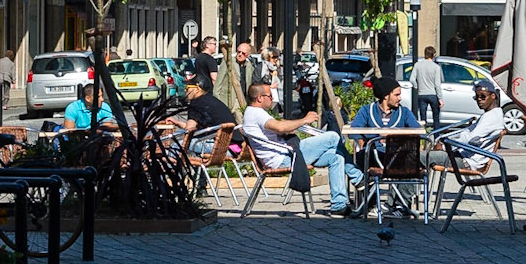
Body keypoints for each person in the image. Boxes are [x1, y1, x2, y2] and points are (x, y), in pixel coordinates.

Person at [241, 81, 364, 216]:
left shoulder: (253, 113)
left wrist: (290, 127)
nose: (273, 99)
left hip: (288, 154)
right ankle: (358, 178)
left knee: (336, 157)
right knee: (333, 137)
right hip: (286, 158)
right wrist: (304, 120)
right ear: (260, 98)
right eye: (270, 96)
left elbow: (279, 125)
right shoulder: (256, 113)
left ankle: (339, 204)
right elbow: (280, 127)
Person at [349, 75, 420, 166]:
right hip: (373, 155)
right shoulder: (367, 110)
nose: (400, 98)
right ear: (386, 96)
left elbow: (418, 131)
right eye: (396, 95)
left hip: (398, 157)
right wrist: (372, 138)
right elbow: (354, 130)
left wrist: (393, 136)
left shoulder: (404, 112)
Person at [449, 79, 506, 172]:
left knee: (422, 158)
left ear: (493, 96)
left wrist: (444, 147)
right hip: (463, 156)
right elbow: (466, 133)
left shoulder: (492, 117)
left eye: (483, 96)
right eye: (477, 97)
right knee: (424, 158)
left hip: (467, 161)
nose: (479, 99)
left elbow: (469, 139)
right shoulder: (490, 114)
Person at [164, 80, 234, 157]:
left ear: (197, 89)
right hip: (232, 147)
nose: (185, 90)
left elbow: (188, 131)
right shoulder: (211, 99)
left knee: (177, 143)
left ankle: (174, 168)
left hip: (216, 147)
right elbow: (194, 129)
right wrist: (177, 122)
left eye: (187, 88)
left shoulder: (197, 103)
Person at [409, 45, 443, 130]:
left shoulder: (417, 65)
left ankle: (423, 136)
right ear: (433, 55)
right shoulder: (436, 67)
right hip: (433, 94)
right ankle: (436, 137)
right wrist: (440, 98)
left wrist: (417, 87)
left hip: (422, 94)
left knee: (423, 118)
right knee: (436, 118)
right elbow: (437, 84)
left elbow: (412, 79)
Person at [0, 49, 16, 126]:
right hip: (7, 78)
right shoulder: (12, 64)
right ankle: (4, 105)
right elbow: (13, 73)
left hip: (0, 77)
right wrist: (14, 80)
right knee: (6, 92)